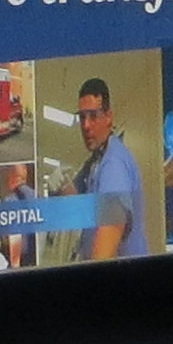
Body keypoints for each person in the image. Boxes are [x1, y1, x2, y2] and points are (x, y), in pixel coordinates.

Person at [64, 76, 150, 260]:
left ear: (109, 116)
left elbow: (105, 247)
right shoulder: (95, 163)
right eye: (82, 117)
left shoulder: (113, 164)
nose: (86, 125)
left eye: (93, 116)